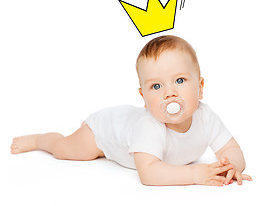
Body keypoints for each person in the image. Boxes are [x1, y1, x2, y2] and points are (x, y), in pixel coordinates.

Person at [10, 35, 252, 186]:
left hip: (125, 133)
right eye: (156, 86)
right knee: (66, 150)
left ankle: (113, 152)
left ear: (199, 88)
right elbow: (149, 174)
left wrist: (229, 167)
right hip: (102, 131)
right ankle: (44, 140)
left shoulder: (205, 115)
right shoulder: (150, 126)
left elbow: (232, 148)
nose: (169, 93)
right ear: (144, 98)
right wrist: (196, 175)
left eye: (179, 80)